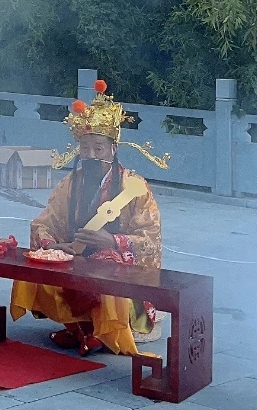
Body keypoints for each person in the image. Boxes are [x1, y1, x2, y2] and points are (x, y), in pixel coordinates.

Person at [10, 79, 165, 355]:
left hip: (116, 262)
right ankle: (78, 328)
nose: (90, 155)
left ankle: (104, 333)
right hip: (76, 255)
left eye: (98, 149)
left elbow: (150, 238)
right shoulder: (71, 182)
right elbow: (45, 222)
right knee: (38, 265)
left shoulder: (134, 187)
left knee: (106, 269)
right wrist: (52, 245)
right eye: (84, 148)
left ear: (113, 149)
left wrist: (113, 241)